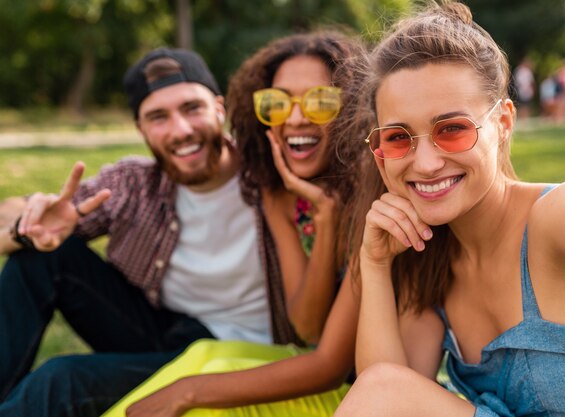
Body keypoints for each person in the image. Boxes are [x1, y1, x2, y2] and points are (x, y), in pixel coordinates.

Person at [334, 2, 565, 416]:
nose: (426, 163)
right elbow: (384, 396)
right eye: (399, 138)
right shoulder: (429, 258)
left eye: (451, 129)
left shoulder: (557, 216)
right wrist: (376, 263)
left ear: (504, 122)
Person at [0, 47, 301, 417]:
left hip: (240, 353)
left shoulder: (273, 178)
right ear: (140, 129)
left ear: (219, 108)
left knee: (61, 379)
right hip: (166, 334)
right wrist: (25, 223)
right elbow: (10, 217)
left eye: (192, 107)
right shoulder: (135, 184)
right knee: (40, 257)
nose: (181, 130)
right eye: (158, 117)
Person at [101, 31, 369, 417]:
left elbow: (330, 367)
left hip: (362, 395)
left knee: (201, 400)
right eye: (277, 103)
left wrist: (190, 392)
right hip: (308, 368)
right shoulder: (280, 195)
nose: (295, 118)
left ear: (354, 108)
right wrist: (325, 221)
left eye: (320, 101)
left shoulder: (375, 198)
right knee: (204, 354)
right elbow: (308, 328)